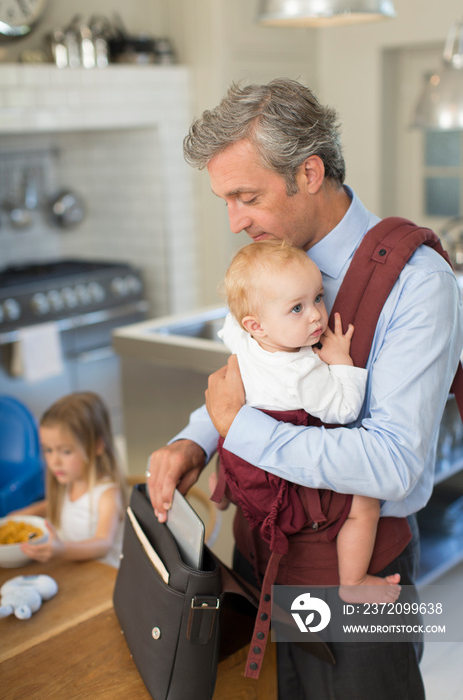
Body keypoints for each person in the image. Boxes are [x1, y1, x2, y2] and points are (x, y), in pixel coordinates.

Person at [146, 78, 463, 699]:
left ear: (309, 172)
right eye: (226, 201)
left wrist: (241, 431)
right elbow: (253, 382)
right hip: (260, 553)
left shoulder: (420, 284)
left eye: (247, 197)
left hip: (362, 573)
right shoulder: (269, 268)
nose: (236, 221)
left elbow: (394, 465)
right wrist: (197, 440)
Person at [212, 239, 401, 604]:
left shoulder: (242, 337)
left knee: (231, 445)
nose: (316, 315)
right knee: (364, 503)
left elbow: (231, 320)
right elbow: (344, 409)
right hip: (279, 483)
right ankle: (354, 581)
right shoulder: (302, 370)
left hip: (241, 467)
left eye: (317, 297)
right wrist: (342, 361)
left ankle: (222, 493)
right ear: (258, 324)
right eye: (296, 308)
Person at [15, 392, 126, 568]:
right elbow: (51, 504)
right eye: (48, 450)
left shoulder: (107, 494)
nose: (54, 462)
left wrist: (62, 550)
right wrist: (18, 516)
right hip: (75, 571)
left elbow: (103, 544)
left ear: (97, 446)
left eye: (65, 451)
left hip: (105, 580)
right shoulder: (69, 483)